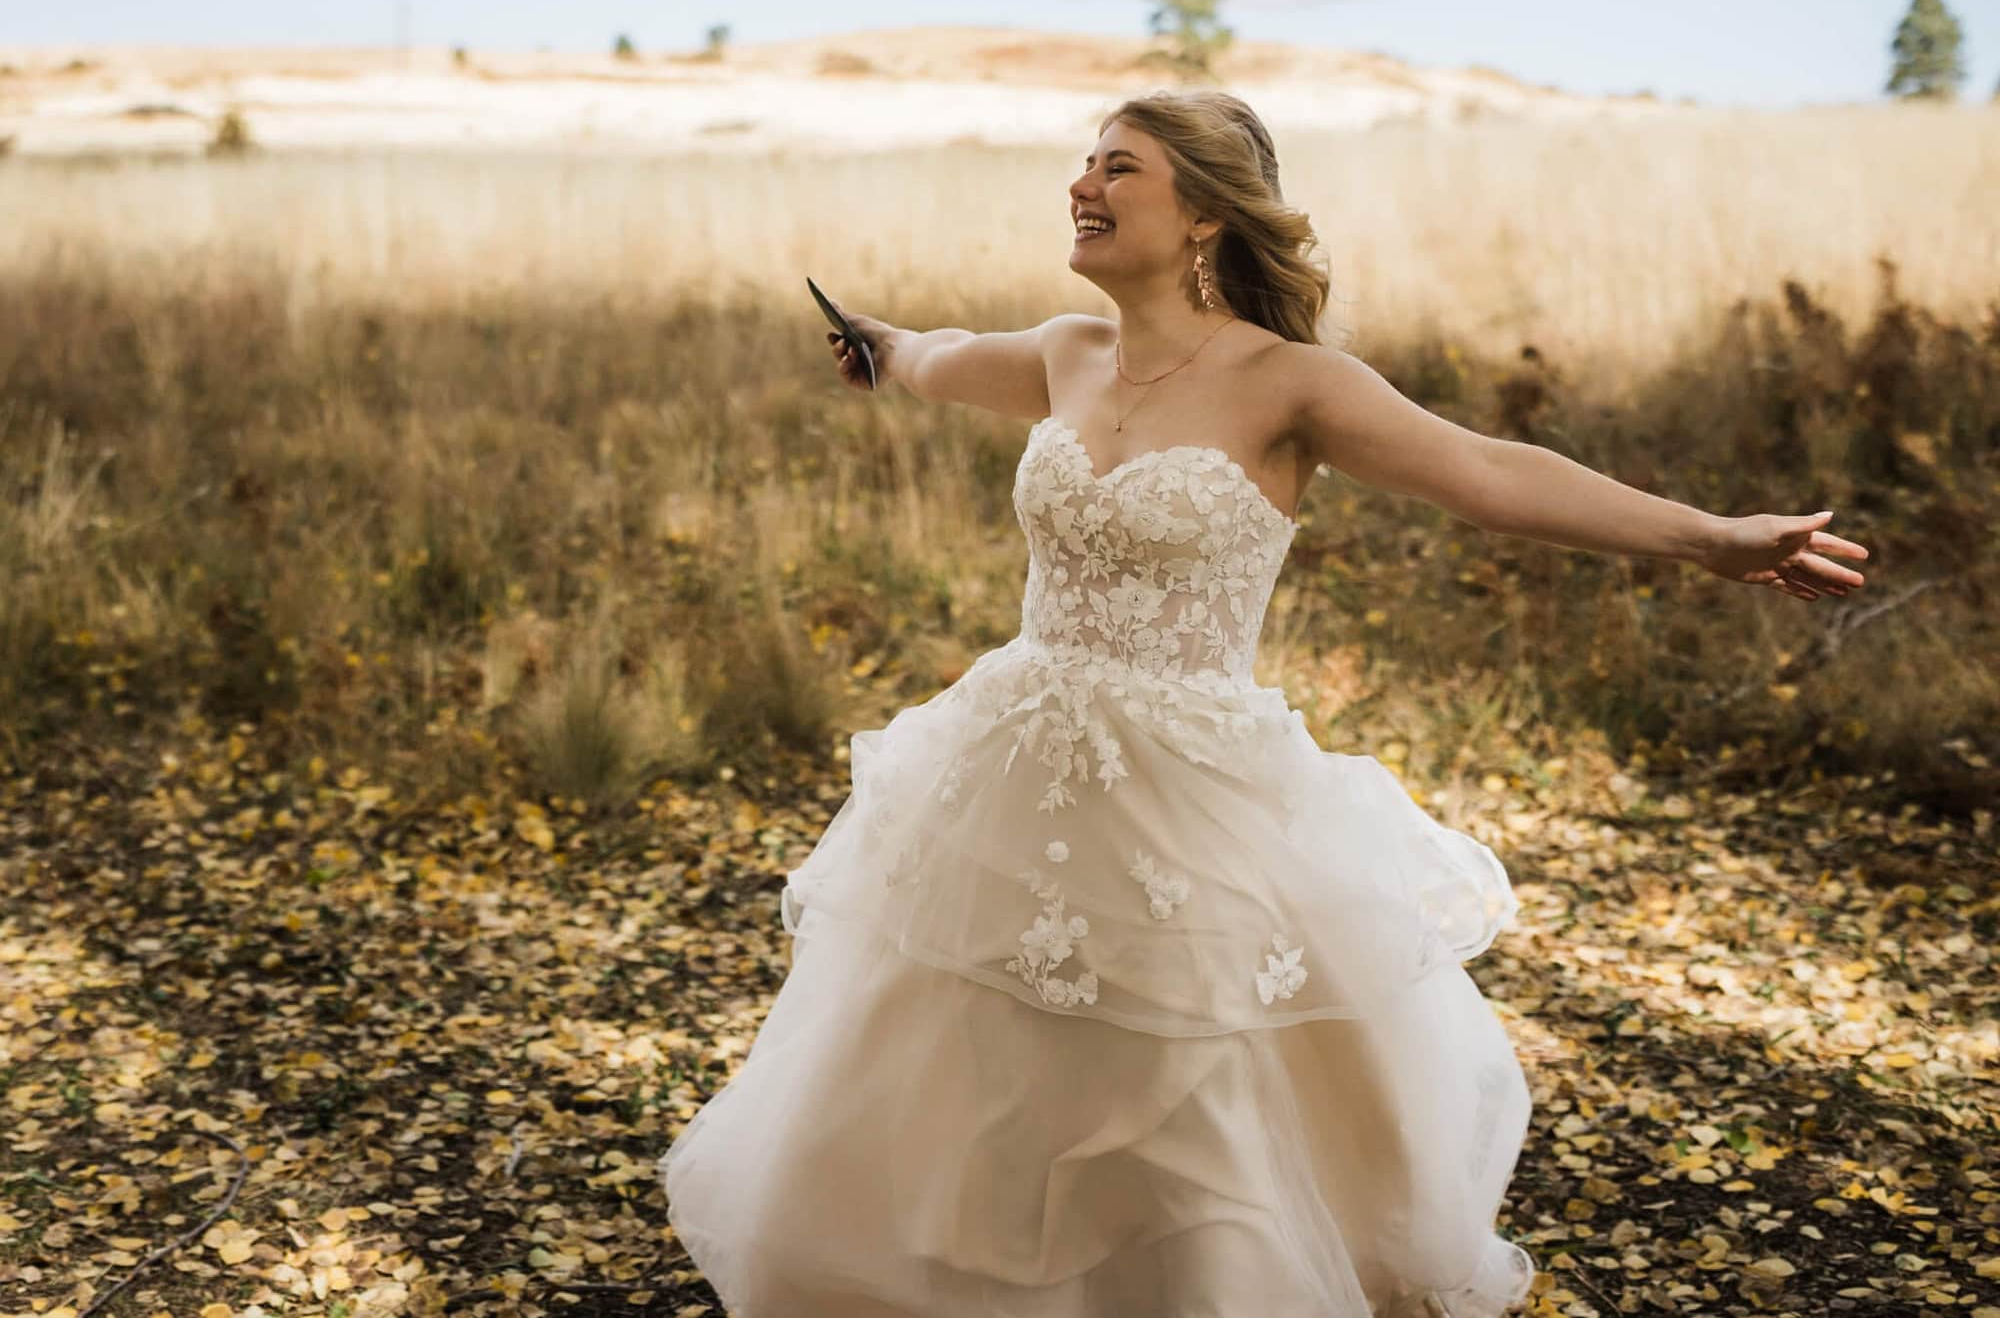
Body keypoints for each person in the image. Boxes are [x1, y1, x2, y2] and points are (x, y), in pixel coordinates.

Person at [656, 90, 1870, 1317]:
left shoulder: (1293, 384)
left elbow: (1489, 474)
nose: (1081, 184)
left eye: (1115, 167)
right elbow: (926, 354)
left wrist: (1706, 535)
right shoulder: (1063, 353)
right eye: (1082, 161)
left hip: (1188, 798)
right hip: (1013, 763)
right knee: (962, 1061)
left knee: (1186, 1089)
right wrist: (874, 337)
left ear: (1199, 215)